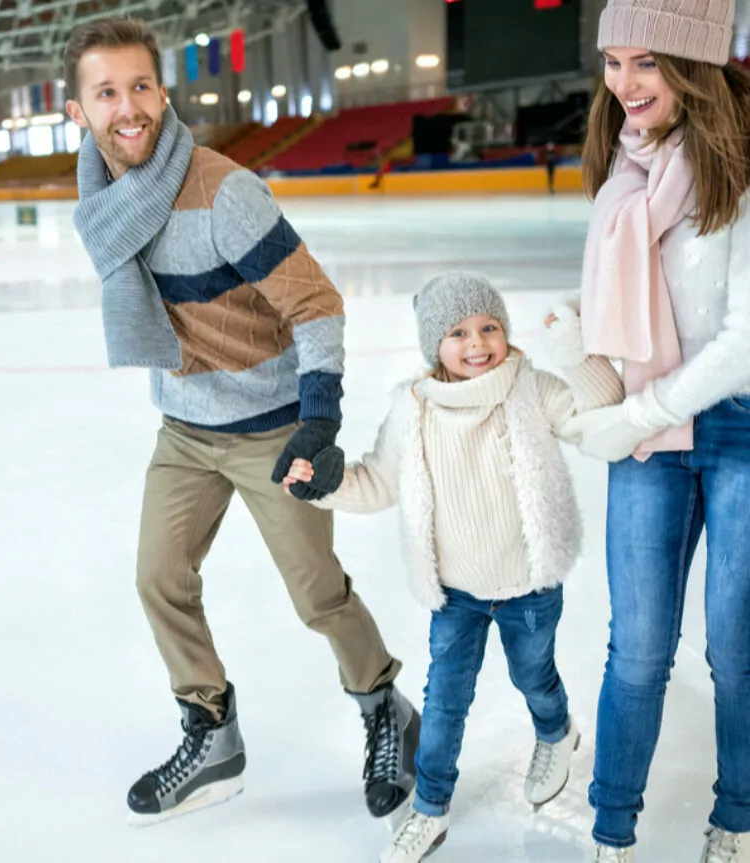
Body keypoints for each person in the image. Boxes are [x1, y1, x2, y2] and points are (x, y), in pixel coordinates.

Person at [62, 17, 419, 826]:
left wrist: (318, 419)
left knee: (317, 595)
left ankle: (385, 712)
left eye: (141, 86)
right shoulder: (105, 200)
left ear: (163, 91)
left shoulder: (224, 193)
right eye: (107, 92)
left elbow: (316, 302)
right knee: (159, 576)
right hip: (185, 430)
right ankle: (212, 731)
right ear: (78, 110)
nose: (129, 107)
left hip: (268, 425)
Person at [285, 273, 625, 863]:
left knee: (534, 677)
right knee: (444, 701)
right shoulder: (413, 409)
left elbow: (597, 414)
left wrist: (577, 354)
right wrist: (326, 484)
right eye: (458, 331)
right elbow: (377, 483)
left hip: (528, 586)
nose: (477, 342)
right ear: (432, 346)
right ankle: (430, 809)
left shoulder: (529, 388)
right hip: (457, 595)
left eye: (489, 326)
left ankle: (556, 733)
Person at [560, 0, 750, 860]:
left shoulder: (740, 174)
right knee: (636, 648)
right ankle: (613, 828)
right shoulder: (621, 176)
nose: (624, 84)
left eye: (646, 63)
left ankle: (738, 816)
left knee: (736, 647)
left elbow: (744, 340)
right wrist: (578, 351)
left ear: (691, 66)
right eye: (613, 62)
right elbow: (621, 316)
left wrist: (637, 415)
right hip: (652, 434)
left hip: (738, 425)